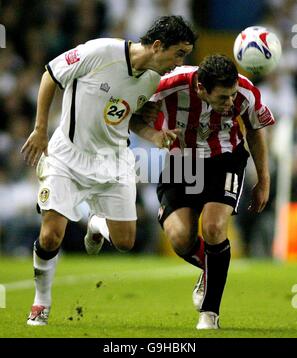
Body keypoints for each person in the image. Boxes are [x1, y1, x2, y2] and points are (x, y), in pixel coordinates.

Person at [21, 15, 197, 326]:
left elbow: (131, 119)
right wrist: (39, 129)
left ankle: (96, 222)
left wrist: (155, 135)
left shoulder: (152, 80)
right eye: (179, 53)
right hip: (68, 156)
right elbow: (51, 74)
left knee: (126, 242)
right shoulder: (100, 52)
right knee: (50, 236)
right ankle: (41, 302)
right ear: (158, 46)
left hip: (114, 160)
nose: (179, 63)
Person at [135, 54, 275, 329]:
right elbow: (132, 114)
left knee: (213, 228)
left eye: (232, 95)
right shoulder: (166, 85)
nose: (230, 103)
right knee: (179, 238)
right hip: (181, 161)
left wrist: (263, 179)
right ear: (201, 88)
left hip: (225, 160)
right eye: (223, 98)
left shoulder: (245, 91)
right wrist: (148, 123)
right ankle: (210, 268)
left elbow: (255, 131)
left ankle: (210, 313)